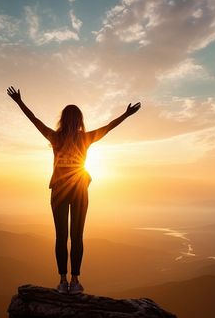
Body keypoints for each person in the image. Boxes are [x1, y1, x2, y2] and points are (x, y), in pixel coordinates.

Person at [7, 86, 140, 294]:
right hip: (79, 190)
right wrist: (126, 114)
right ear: (79, 120)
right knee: (76, 236)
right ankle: (75, 281)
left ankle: (62, 281)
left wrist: (19, 102)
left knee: (61, 236)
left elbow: (34, 120)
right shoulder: (84, 138)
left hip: (59, 190)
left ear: (63, 119)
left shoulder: (55, 137)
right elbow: (109, 126)